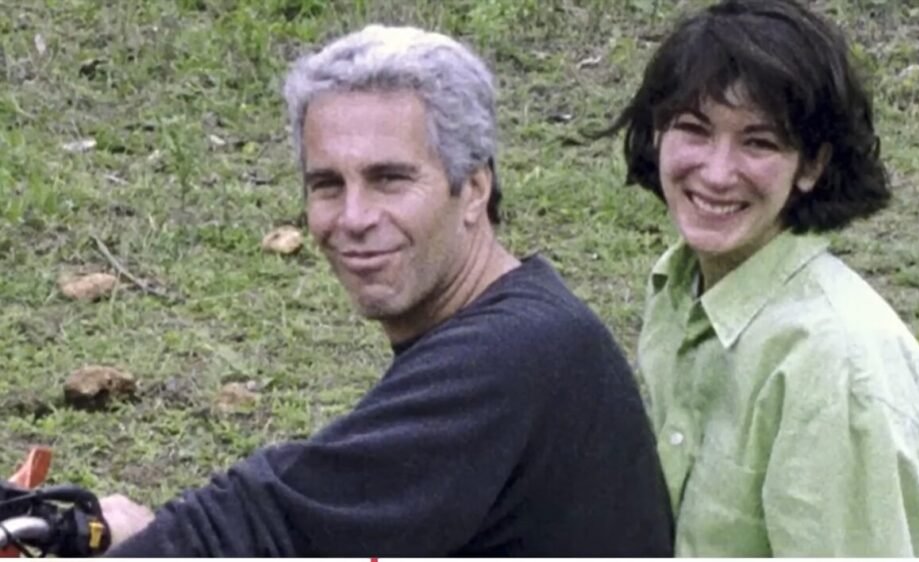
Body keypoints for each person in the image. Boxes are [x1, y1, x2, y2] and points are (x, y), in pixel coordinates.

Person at [98, 25, 673, 556]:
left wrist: (140, 542)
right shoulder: (515, 325)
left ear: (474, 189)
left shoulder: (517, 352)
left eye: (389, 179)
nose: (354, 217)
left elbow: (279, 525)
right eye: (327, 184)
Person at [600, 0, 919, 556]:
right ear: (655, 134)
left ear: (812, 165)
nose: (717, 173)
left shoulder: (836, 364)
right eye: (694, 129)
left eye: (758, 142)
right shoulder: (680, 286)